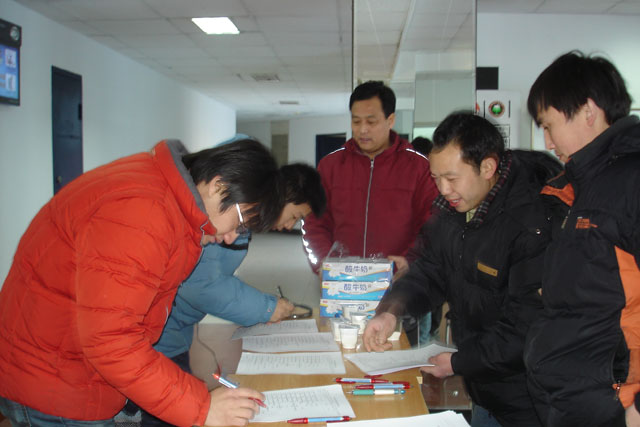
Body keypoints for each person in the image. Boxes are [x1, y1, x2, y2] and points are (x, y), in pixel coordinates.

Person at [0, 138, 283, 427]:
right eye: (239, 223)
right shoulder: (144, 212)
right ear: (218, 185)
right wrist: (201, 407)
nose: (232, 237)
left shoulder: (163, 194)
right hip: (55, 383)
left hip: (69, 367)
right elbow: (112, 340)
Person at [363, 111, 562, 426]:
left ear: (487, 168)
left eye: (452, 178)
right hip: (484, 386)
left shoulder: (531, 224)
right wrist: (391, 311)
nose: (443, 189)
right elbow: (430, 270)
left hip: (530, 397)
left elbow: (528, 328)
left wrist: (458, 362)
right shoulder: (455, 210)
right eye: (436, 178)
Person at [137, 163, 326, 427]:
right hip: (159, 336)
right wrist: (267, 308)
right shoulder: (229, 217)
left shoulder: (240, 222)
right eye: (294, 216)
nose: (289, 226)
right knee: (170, 410)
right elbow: (202, 285)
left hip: (173, 330)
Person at [523, 51, 640, 427]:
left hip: (615, 400)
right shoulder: (578, 187)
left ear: (588, 111)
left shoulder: (631, 181)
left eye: (549, 125)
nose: (547, 141)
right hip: (572, 398)